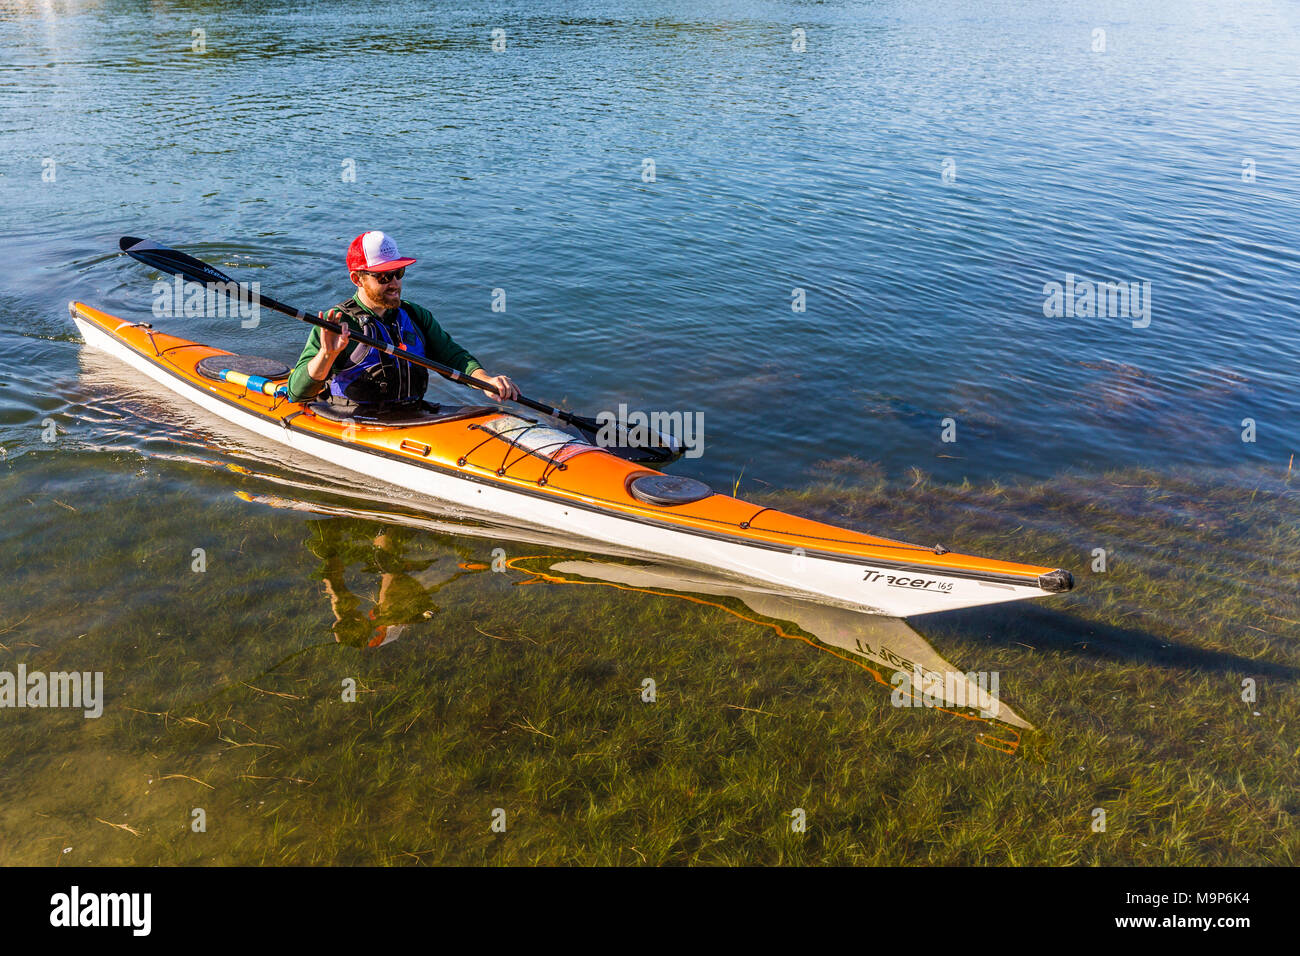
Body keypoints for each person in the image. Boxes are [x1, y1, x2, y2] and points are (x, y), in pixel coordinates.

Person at [286, 231, 519, 411]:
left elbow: (453, 357)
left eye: (399, 273)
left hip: (411, 414)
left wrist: (485, 380)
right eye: (384, 276)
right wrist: (326, 356)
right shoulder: (336, 324)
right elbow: (297, 393)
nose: (395, 284)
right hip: (352, 419)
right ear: (357, 279)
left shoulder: (416, 316)